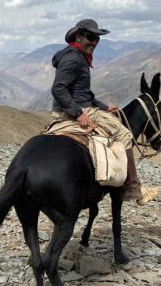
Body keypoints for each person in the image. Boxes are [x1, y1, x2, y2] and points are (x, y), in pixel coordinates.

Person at [50, 18, 144, 201]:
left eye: (97, 39)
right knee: (124, 134)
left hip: (81, 105)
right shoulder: (73, 59)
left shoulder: (78, 56)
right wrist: (79, 114)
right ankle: (132, 185)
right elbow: (58, 88)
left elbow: (85, 93)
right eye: (90, 37)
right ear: (78, 36)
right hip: (78, 109)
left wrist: (104, 107)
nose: (94, 42)